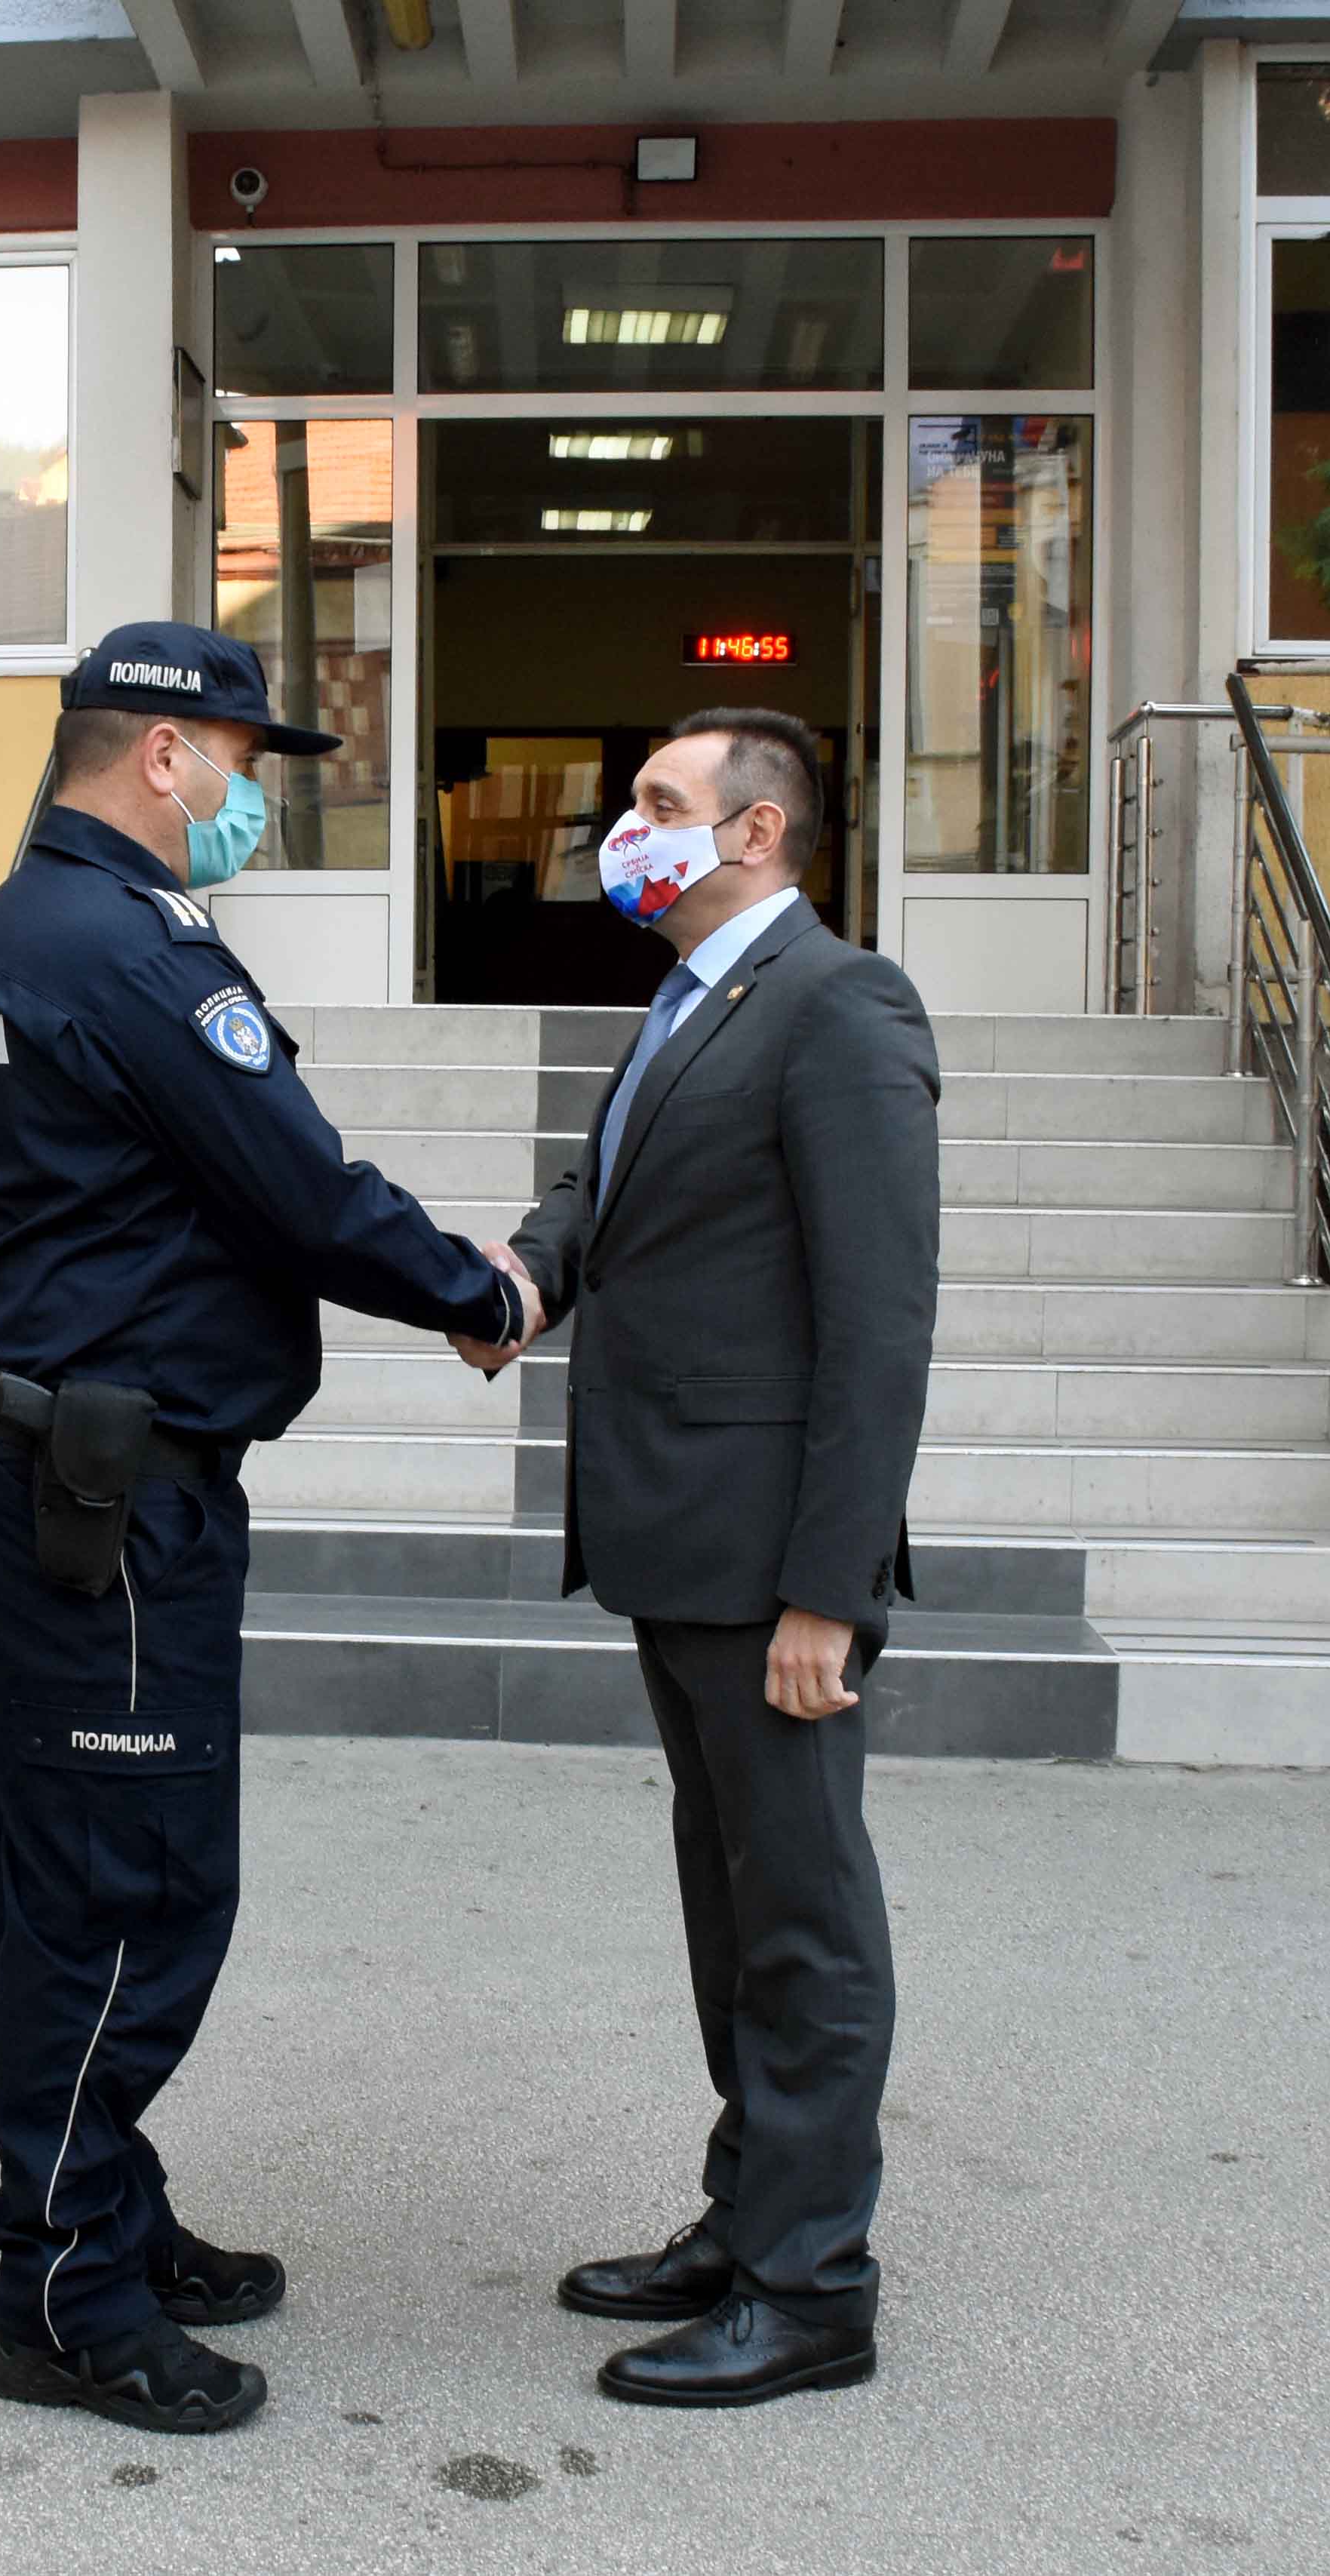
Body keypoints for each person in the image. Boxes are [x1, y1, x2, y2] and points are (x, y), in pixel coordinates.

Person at [0, 622, 540, 2436]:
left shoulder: (16, 925)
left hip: (33, 1456)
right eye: (243, 761)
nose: (253, 795)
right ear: (162, 756)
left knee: (62, 1873)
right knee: (130, 1888)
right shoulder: (125, 949)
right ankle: (61, 2288)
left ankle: (104, 2203)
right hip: (96, 1495)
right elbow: (299, 1185)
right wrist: (476, 1291)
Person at [466, 709, 939, 2408]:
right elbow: (601, 1190)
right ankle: (747, 2216)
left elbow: (878, 1322)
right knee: (729, 1901)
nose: (625, 825)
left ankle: (811, 2288)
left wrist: (829, 1589)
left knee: (800, 1917)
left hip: (766, 1564)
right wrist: (523, 1278)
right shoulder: (689, 997)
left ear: (752, 832)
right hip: (677, 1537)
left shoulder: (838, 1004)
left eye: (658, 801)